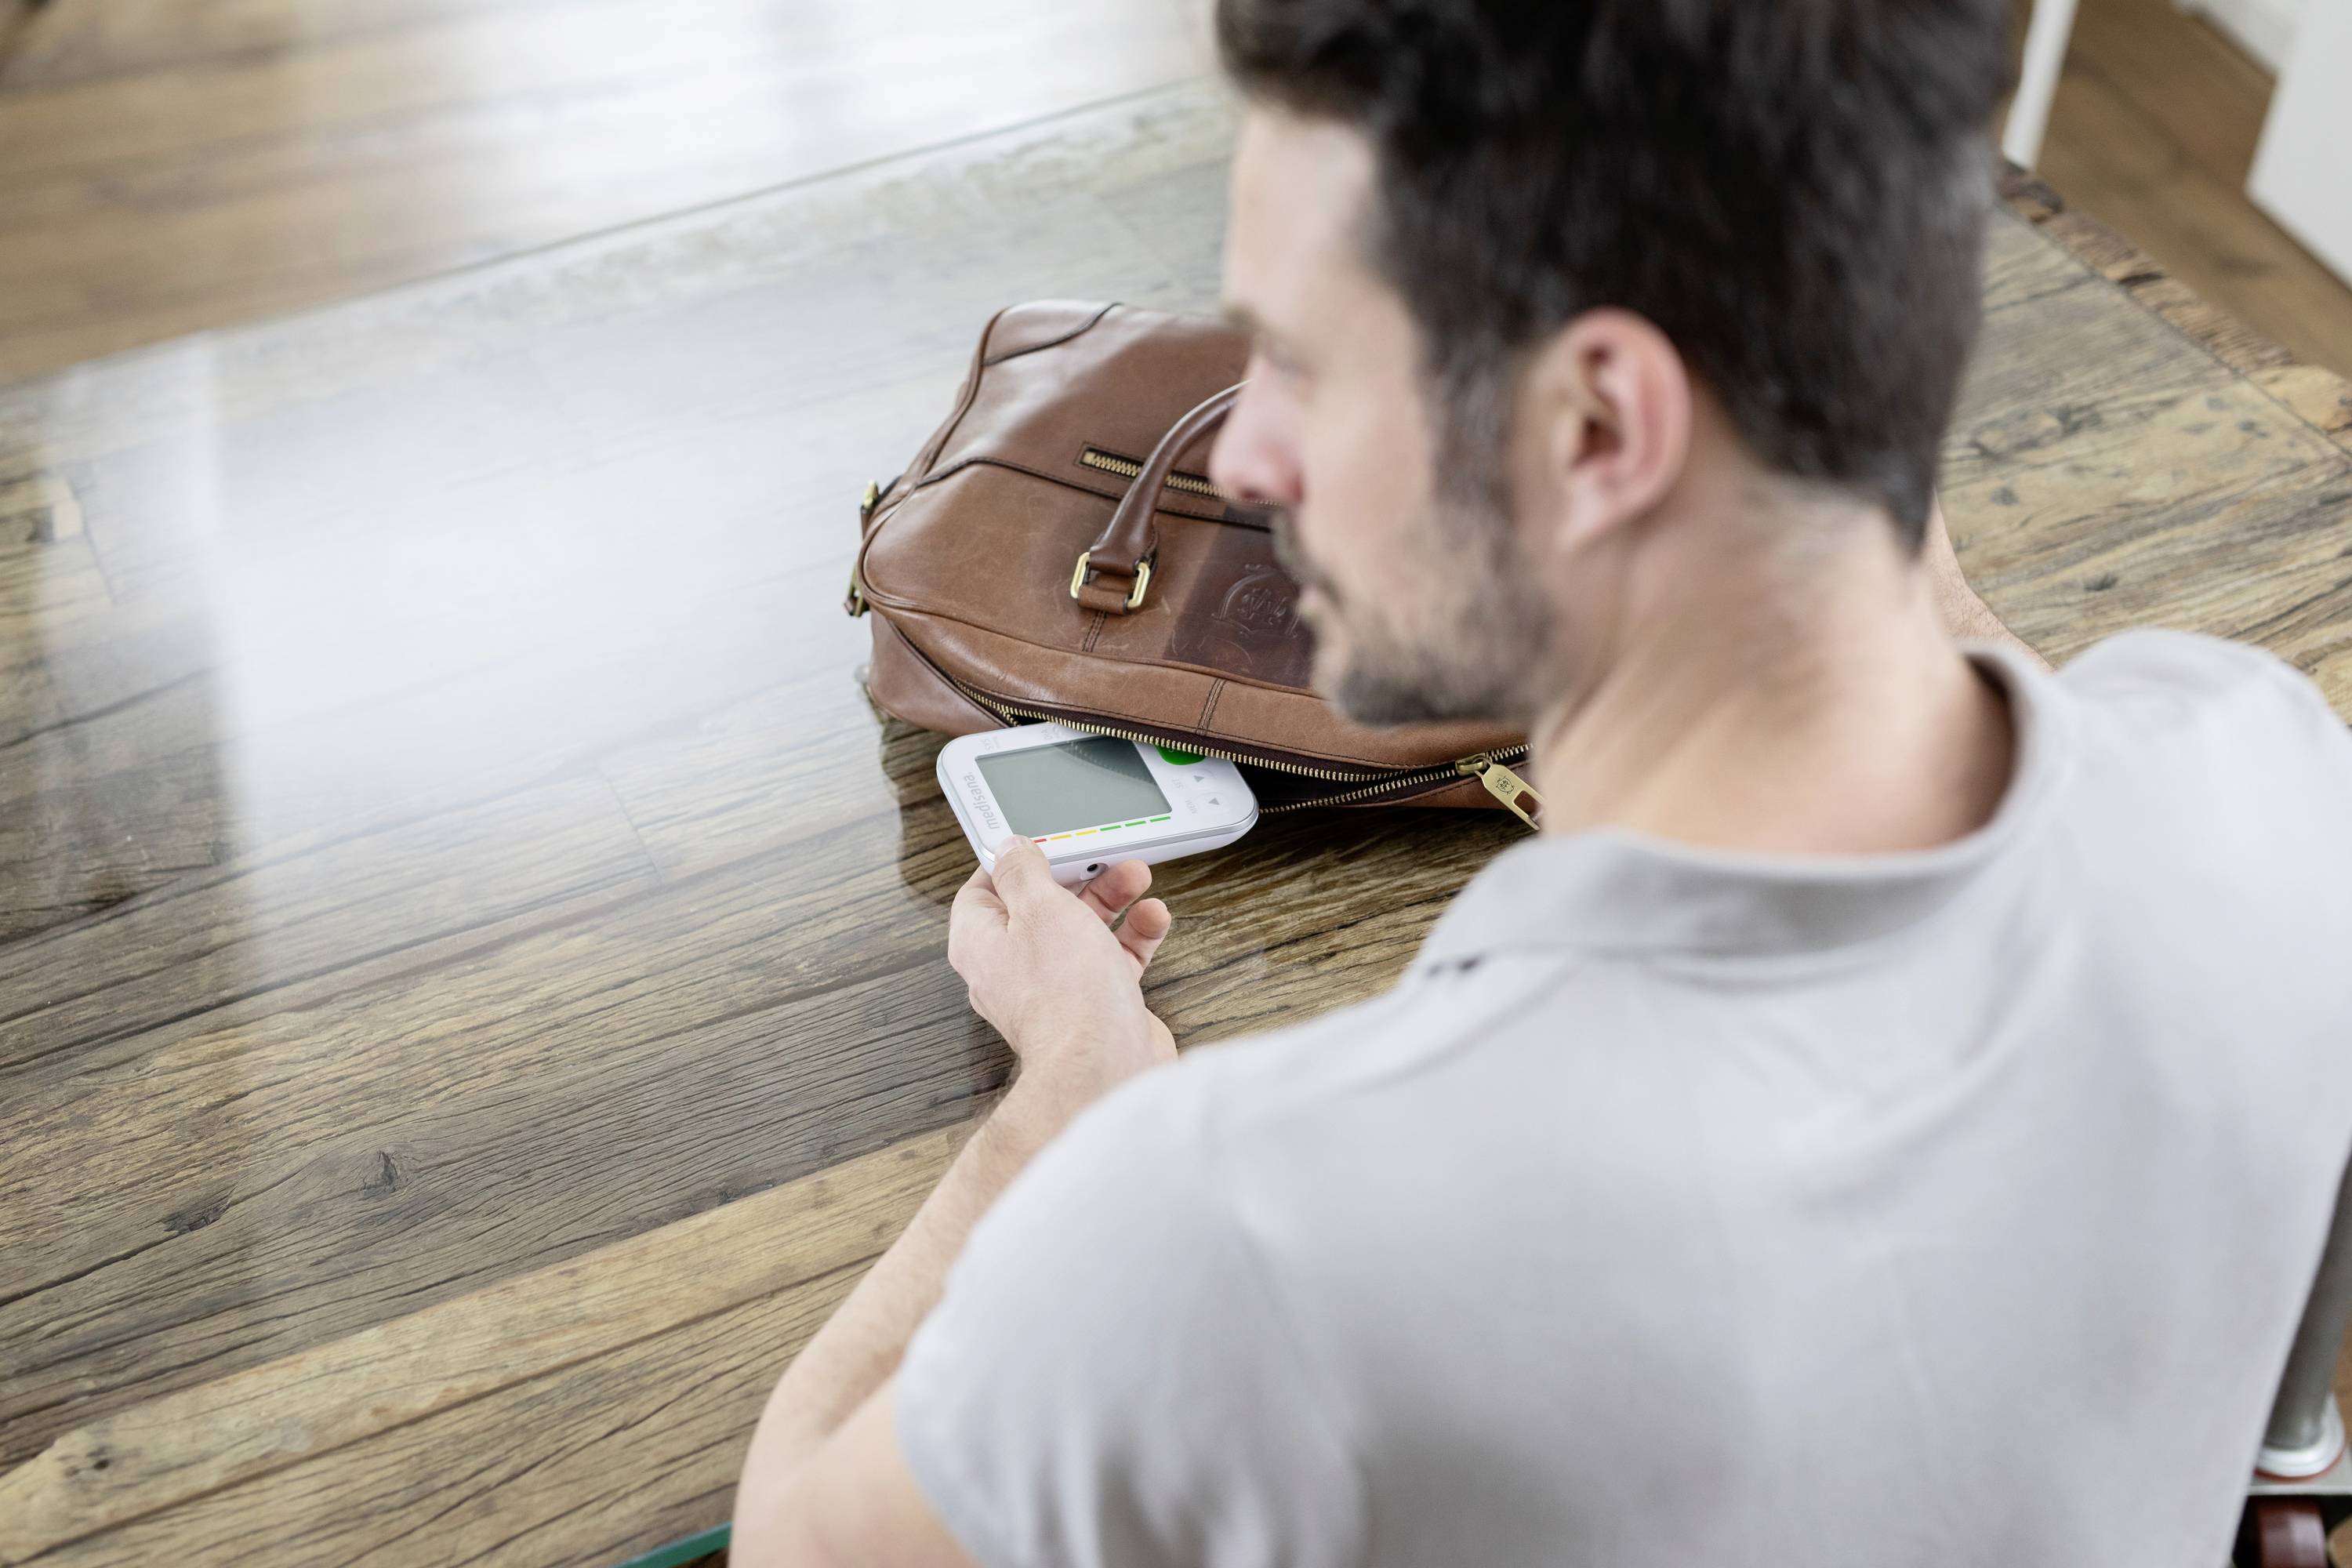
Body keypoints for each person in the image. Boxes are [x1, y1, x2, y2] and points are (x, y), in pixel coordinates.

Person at [732, 1, 2352, 1563]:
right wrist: (1836, 474)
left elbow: (794, 1541)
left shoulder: (1247, 1235)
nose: (1245, 457)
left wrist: (1069, 1095)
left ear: (1597, 427)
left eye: (1301, 363)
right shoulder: (2273, 783)